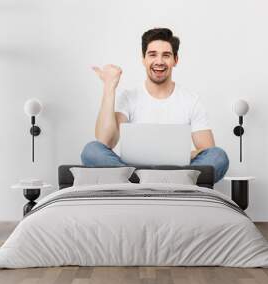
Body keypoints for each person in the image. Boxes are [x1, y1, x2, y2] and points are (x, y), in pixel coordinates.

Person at [81, 28, 229, 182]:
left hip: (177, 171)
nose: (159, 61)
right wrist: (109, 87)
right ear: (143, 59)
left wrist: (185, 155)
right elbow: (106, 141)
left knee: (218, 156)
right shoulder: (128, 97)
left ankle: (140, 185)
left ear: (175, 60)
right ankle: (164, 184)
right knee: (91, 150)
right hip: (135, 170)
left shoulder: (191, 100)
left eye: (166, 55)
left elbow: (208, 151)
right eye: (152, 55)